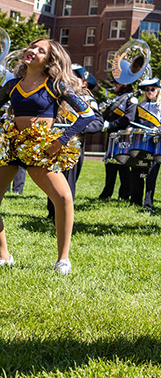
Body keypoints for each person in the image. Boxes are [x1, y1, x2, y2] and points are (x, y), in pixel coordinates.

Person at [0, 38, 97, 273]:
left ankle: (62, 259)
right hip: (12, 145)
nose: (32, 51)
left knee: (63, 198)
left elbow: (86, 114)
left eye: (40, 50)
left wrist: (60, 141)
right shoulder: (12, 85)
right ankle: (3, 254)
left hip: (41, 148)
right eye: (32, 47)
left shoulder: (56, 86)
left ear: (49, 60)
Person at [46, 65, 103, 220]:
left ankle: (64, 215)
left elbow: (98, 123)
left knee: (68, 181)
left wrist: (78, 128)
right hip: (55, 141)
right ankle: (51, 213)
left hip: (74, 145)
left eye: (73, 77)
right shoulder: (60, 96)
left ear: (83, 82)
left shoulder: (88, 100)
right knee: (53, 177)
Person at [129, 78, 161, 212]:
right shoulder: (140, 106)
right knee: (136, 171)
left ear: (158, 90)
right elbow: (134, 122)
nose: (149, 92)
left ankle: (148, 204)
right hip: (140, 142)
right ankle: (135, 201)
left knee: (151, 174)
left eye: (152, 89)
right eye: (147, 90)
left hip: (156, 143)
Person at [98, 80, 136, 200]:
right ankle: (107, 192)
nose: (114, 85)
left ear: (125, 84)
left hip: (122, 135)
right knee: (110, 165)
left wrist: (110, 124)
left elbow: (128, 119)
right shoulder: (118, 98)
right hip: (112, 135)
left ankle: (125, 194)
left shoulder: (131, 99)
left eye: (117, 83)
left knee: (123, 165)